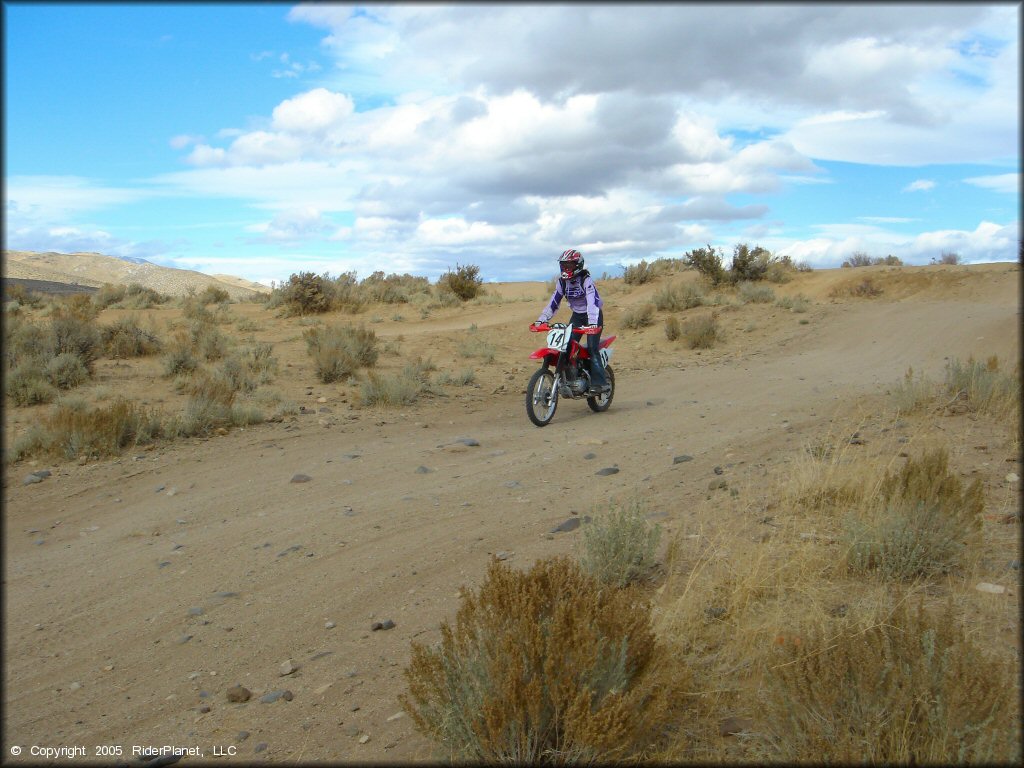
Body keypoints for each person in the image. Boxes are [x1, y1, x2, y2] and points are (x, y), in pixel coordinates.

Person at [532, 249, 610, 395]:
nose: (566, 268)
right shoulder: (562, 282)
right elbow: (553, 303)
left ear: (578, 265)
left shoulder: (586, 280)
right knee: (566, 346)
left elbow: (593, 302)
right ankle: (570, 377)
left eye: (570, 265)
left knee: (593, 348)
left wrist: (592, 323)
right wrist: (541, 320)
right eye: (564, 265)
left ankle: (600, 383)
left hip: (593, 315)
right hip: (578, 316)